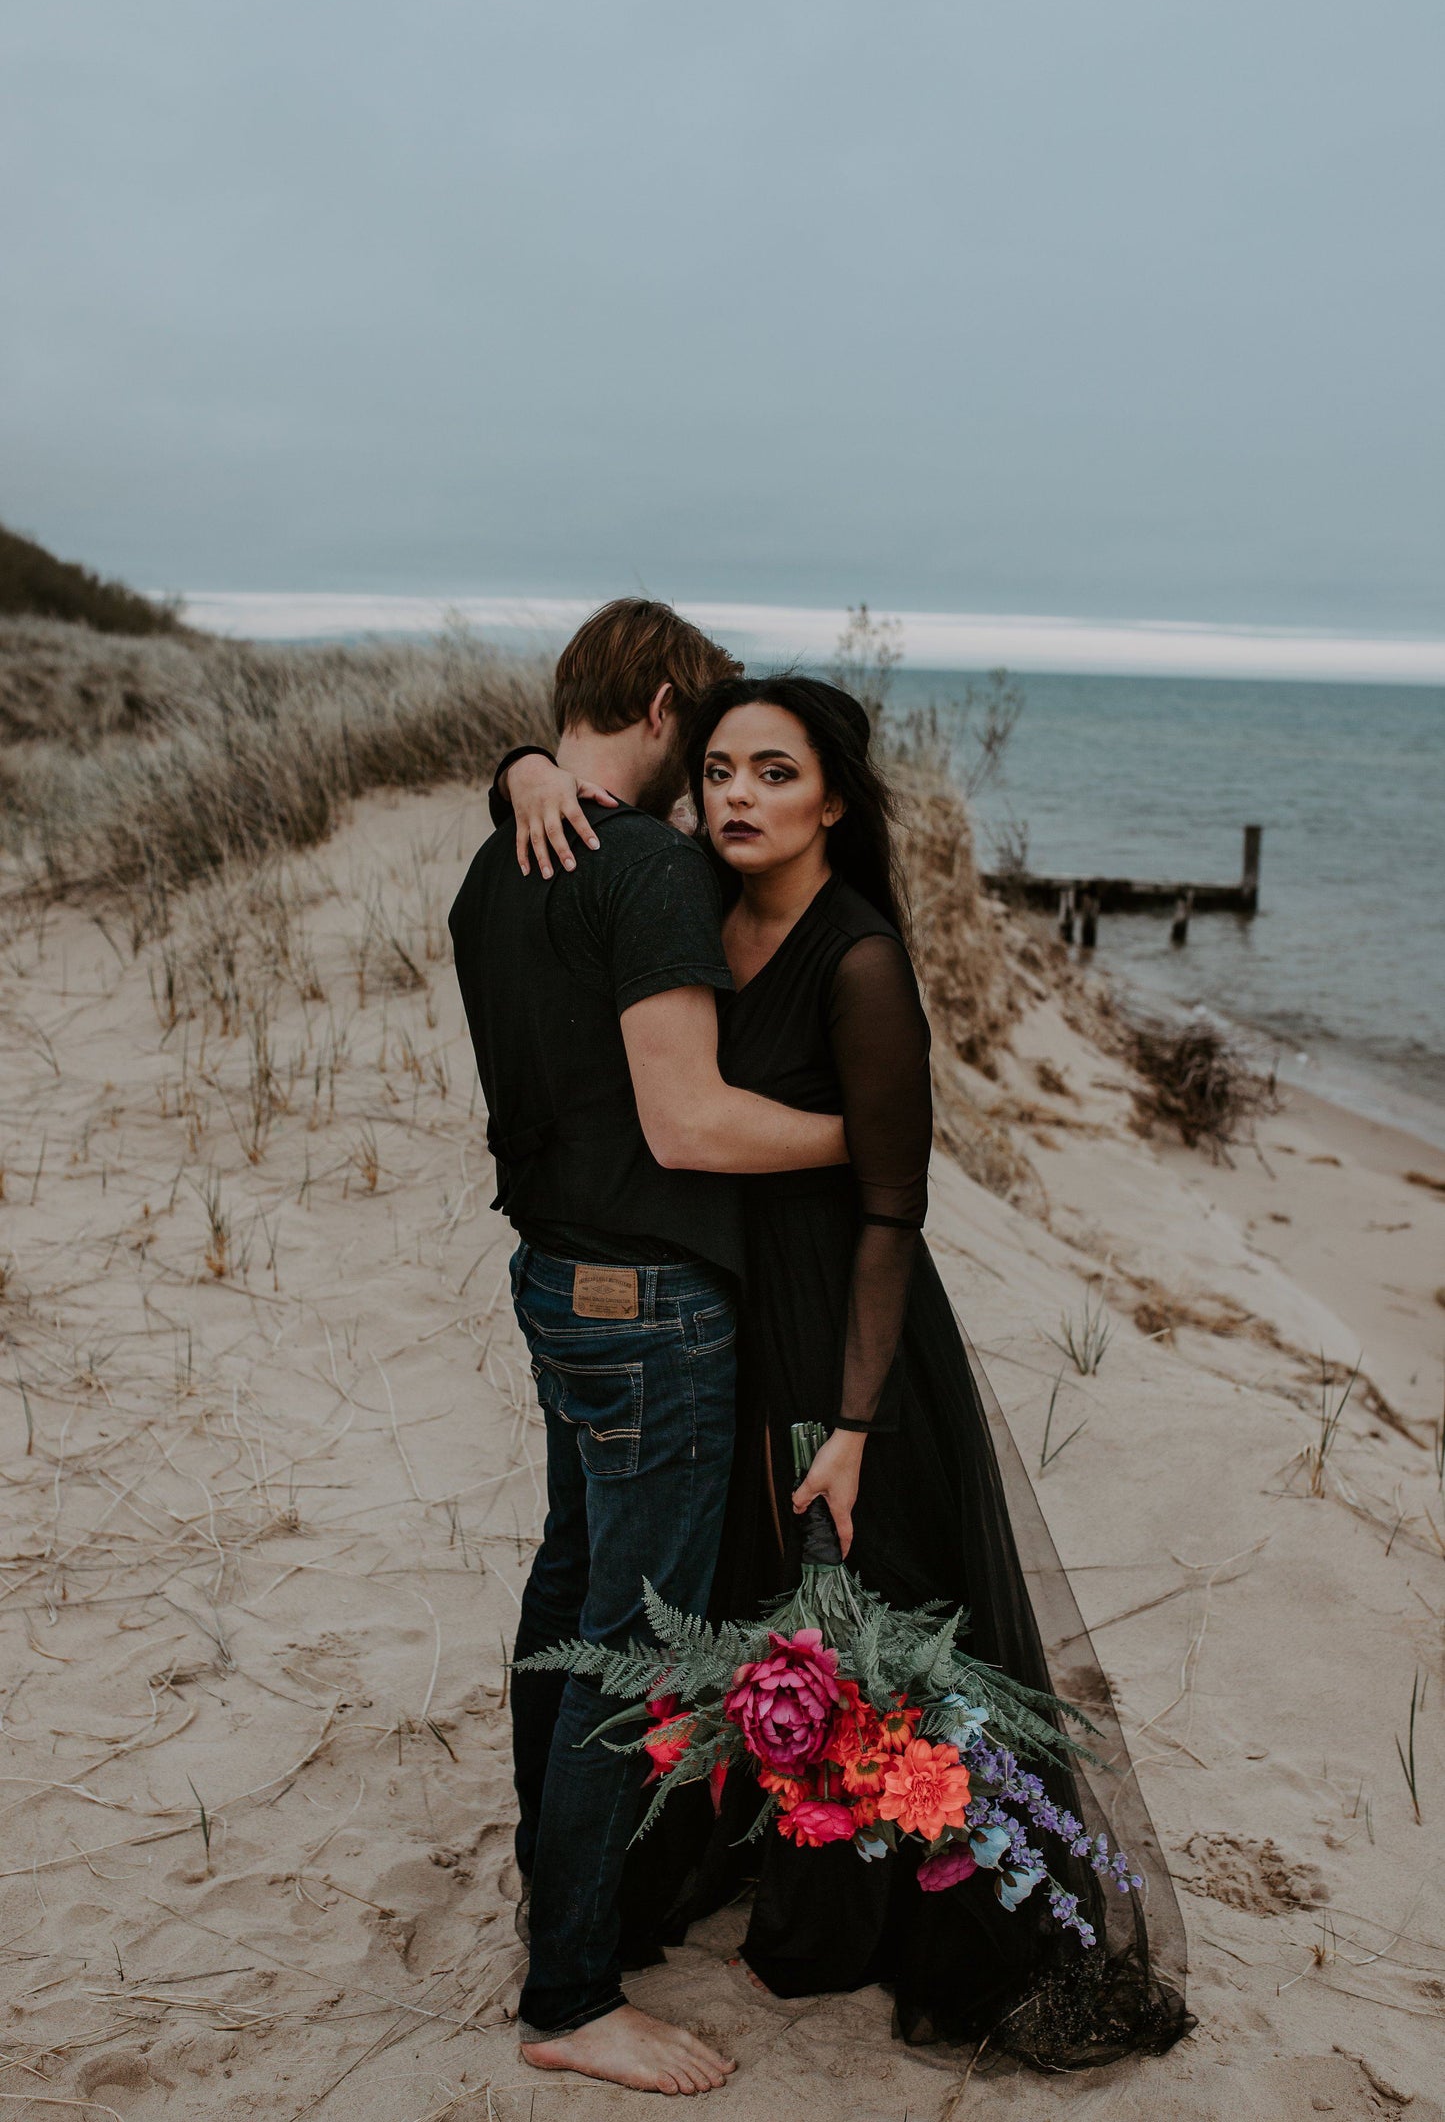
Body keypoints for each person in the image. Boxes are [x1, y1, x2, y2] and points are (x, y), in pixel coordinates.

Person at [498, 674, 1192, 2068]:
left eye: (773, 772)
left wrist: (858, 1416)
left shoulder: (856, 956)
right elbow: (569, 811)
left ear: (833, 800)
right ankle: (776, 1869)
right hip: (726, 1315)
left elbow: (893, 1204)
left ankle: (870, 1915)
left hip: (840, 1328)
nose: (737, 796)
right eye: (718, 772)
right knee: (761, 1614)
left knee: (864, 1620)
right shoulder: (687, 896)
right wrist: (522, 764)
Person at [449, 604, 855, 2097]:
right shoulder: (654, 869)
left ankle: (565, 1887)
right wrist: (866, 1134)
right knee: (630, 1644)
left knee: (570, 1591)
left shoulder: (505, 857)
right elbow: (689, 1121)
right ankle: (571, 1987)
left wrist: (518, 770)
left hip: (555, 1281)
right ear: (672, 700)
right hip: (650, 1304)